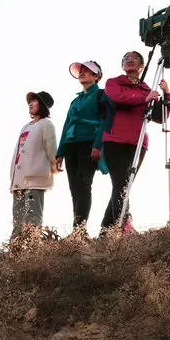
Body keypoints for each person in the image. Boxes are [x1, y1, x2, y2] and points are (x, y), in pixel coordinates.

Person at [100, 51, 170, 233]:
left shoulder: (147, 90)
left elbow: (160, 117)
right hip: (114, 140)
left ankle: (106, 229)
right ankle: (123, 224)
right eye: (126, 59)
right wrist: (144, 98)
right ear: (122, 66)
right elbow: (117, 98)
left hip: (138, 143)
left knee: (124, 184)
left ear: (142, 66)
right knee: (122, 182)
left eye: (135, 59)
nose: (130, 61)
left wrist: (167, 95)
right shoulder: (114, 83)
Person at [56, 60, 109, 235]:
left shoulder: (101, 95)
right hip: (71, 144)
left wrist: (97, 145)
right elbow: (66, 125)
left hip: (89, 142)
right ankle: (77, 229)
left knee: (84, 183)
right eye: (81, 71)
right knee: (74, 187)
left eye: (87, 71)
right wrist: (60, 153)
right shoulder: (75, 101)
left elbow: (104, 121)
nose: (82, 73)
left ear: (96, 76)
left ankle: (79, 228)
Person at [10, 91, 59, 240]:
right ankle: (16, 245)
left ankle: (31, 246)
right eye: (30, 101)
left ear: (43, 105)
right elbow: (18, 151)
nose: (31, 104)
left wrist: (54, 165)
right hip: (18, 179)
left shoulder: (46, 124)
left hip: (35, 177)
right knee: (17, 215)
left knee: (33, 214)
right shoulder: (26, 126)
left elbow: (51, 147)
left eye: (35, 101)